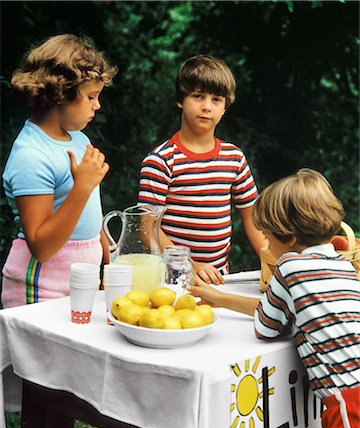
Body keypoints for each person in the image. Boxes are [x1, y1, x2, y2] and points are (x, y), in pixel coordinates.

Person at [190, 168, 360, 428]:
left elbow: (266, 326)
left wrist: (222, 301)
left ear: (290, 238)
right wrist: (219, 298)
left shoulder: (290, 268)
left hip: (349, 400)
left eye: (269, 238)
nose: (266, 245)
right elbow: (285, 307)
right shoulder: (342, 266)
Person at [2, 34, 117, 308]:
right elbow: (41, 248)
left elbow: (90, 208)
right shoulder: (31, 155)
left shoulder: (79, 140)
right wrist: (82, 187)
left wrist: (108, 256)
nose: (97, 105)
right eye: (91, 96)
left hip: (81, 280)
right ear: (60, 92)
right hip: (40, 288)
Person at [138, 55, 266, 285]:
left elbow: (253, 218)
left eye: (216, 99)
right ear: (181, 100)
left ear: (225, 107)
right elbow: (149, 228)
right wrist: (189, 265)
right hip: (170, 278)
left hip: (218, 279)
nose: (207, 106)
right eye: (198, 96)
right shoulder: (161, 160)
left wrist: (272, 262)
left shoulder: (234, 158)